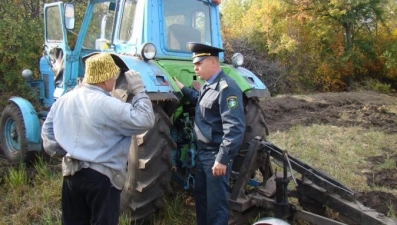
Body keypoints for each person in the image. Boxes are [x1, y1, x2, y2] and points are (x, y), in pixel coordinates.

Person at [41, 52, 155, 225]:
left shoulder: (63, 101)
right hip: (102, 180)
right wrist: (139, 91)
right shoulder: (109, 105)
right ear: (105, 79)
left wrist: (72, 151)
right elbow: (145, 119)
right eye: (113, 76)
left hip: (71, 175)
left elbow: (48, 136)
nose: (115, 80)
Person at [174, 42, 246, 225]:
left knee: (216, 206)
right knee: (203, 201)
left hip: (215, 155)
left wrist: (222, 158)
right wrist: (183, 89)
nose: (195, 68)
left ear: (213, 63)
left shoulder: (227, 88)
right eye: (194, 64)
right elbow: (202, 101)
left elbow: (235, 127)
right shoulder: (208, 85)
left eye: (199, 63)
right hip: (202, 154)